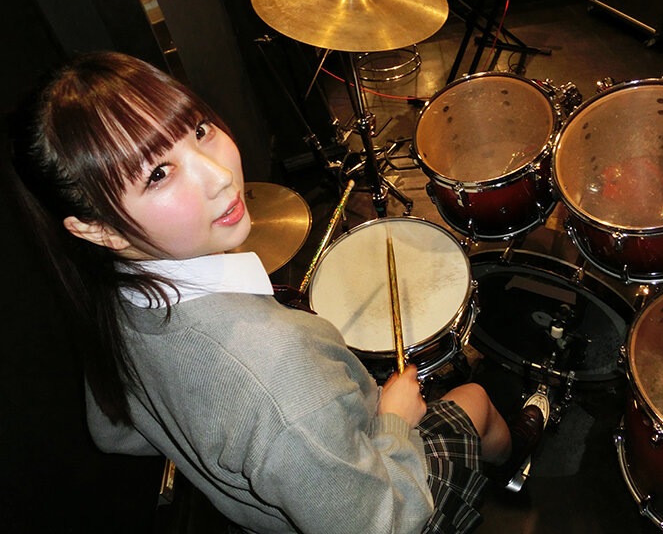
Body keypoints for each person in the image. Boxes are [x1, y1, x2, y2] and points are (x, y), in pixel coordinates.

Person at [10, 52, 544, 534]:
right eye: (157, 174)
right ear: (97, 228)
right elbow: (382, 524)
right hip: (389, 503)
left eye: (198, 130)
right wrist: (394, 423)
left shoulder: (112, 299)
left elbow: (113, 432)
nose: (221, 176)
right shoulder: (274, 363)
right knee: (473, 400)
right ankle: (514, 457)